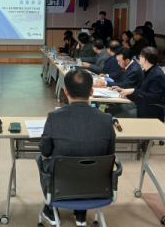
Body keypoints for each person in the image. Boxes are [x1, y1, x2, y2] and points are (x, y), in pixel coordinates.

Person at [39, 69, 115, 226]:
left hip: (60, 185)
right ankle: (81, 213)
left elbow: (45, 151)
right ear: (92, 91)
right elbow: (109, 153)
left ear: (65, 91)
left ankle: (50, 208)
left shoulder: (54, 118)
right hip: (96, 186)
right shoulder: (106, 119)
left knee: (45, 162)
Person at [111, 47, 165, 120]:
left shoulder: (157, 75)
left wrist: (134, 91)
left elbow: (154, 97)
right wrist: (122, 89)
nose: (139, 58)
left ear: (144, 59)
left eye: (140, 56)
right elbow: (141, 91)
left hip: (148, 110)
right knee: (108, 111)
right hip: (139, 104)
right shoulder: (148, 71)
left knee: (112, 117)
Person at [99, 47, 144, 118]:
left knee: (106, 110)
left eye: (120, 61)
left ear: (127, 60)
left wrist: (105, 83)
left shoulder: (134, 70)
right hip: (123, 94)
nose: (118, 63)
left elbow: (124, 85)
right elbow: (119, 75)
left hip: (131, 99)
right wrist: (107, 75)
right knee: (103, 107)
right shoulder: (129, 64)